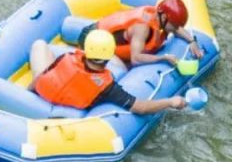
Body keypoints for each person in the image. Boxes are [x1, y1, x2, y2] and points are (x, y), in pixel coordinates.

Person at [30, 28, 187, 115]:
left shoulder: (67, 57)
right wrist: (170, 102)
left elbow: (41, 78)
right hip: (69, 103)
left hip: (44, 92)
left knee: (39, 45)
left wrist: (29, 93)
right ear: (109, 55)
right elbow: (141, 108)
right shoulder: (107, 88)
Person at [96, 0, 204, 67]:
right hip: (95, 40)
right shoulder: (142, 28)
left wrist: (191, 41)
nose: (176, 29)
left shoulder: (159, 16)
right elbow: (135, 58)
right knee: (122, 68)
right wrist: (163, 58)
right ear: (164, 18)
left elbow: (177, 29)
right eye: (175, 26)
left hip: (108, 36)